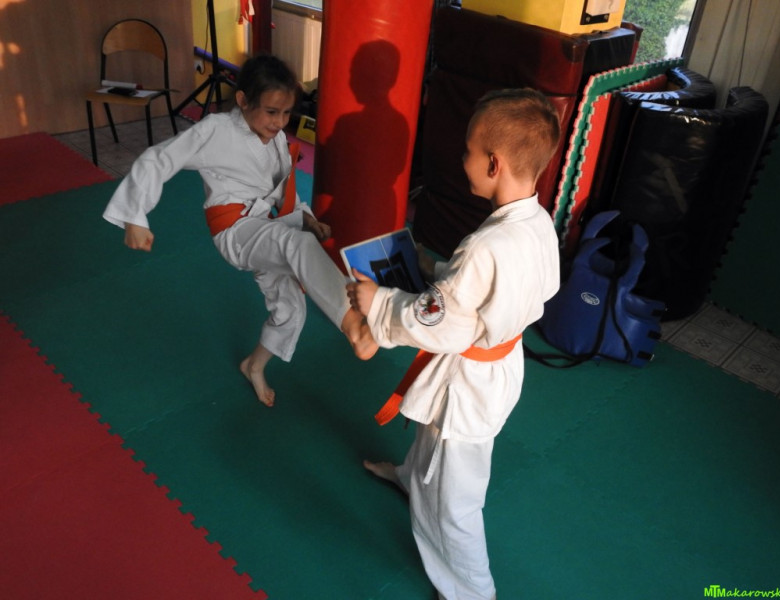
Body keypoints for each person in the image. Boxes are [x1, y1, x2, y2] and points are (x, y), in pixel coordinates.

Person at [346, 88, 562, 600]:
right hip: (497, 366)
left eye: (468, 151)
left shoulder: (485, 245)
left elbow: (442, 325)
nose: (462, 160)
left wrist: (379, 302)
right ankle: (410, 476)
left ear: (493, 163)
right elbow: (493, 292)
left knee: (455, 505)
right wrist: (435, 269)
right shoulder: (537, 221)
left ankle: (473, 590)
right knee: (436, 440)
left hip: (469, 381)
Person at [103, 54, 376, 407]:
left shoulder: (272, 135)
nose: (280, 122)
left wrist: (305, 218)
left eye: (286, 113)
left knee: (291, 309)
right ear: (243, 100)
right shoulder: (216, 130)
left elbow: (280, 187)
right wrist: (135, 216)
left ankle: (253, 366)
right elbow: (160, 157)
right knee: (299, 246)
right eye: (272, 111)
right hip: (235, 230)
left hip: (268, 225)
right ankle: (354, 324)